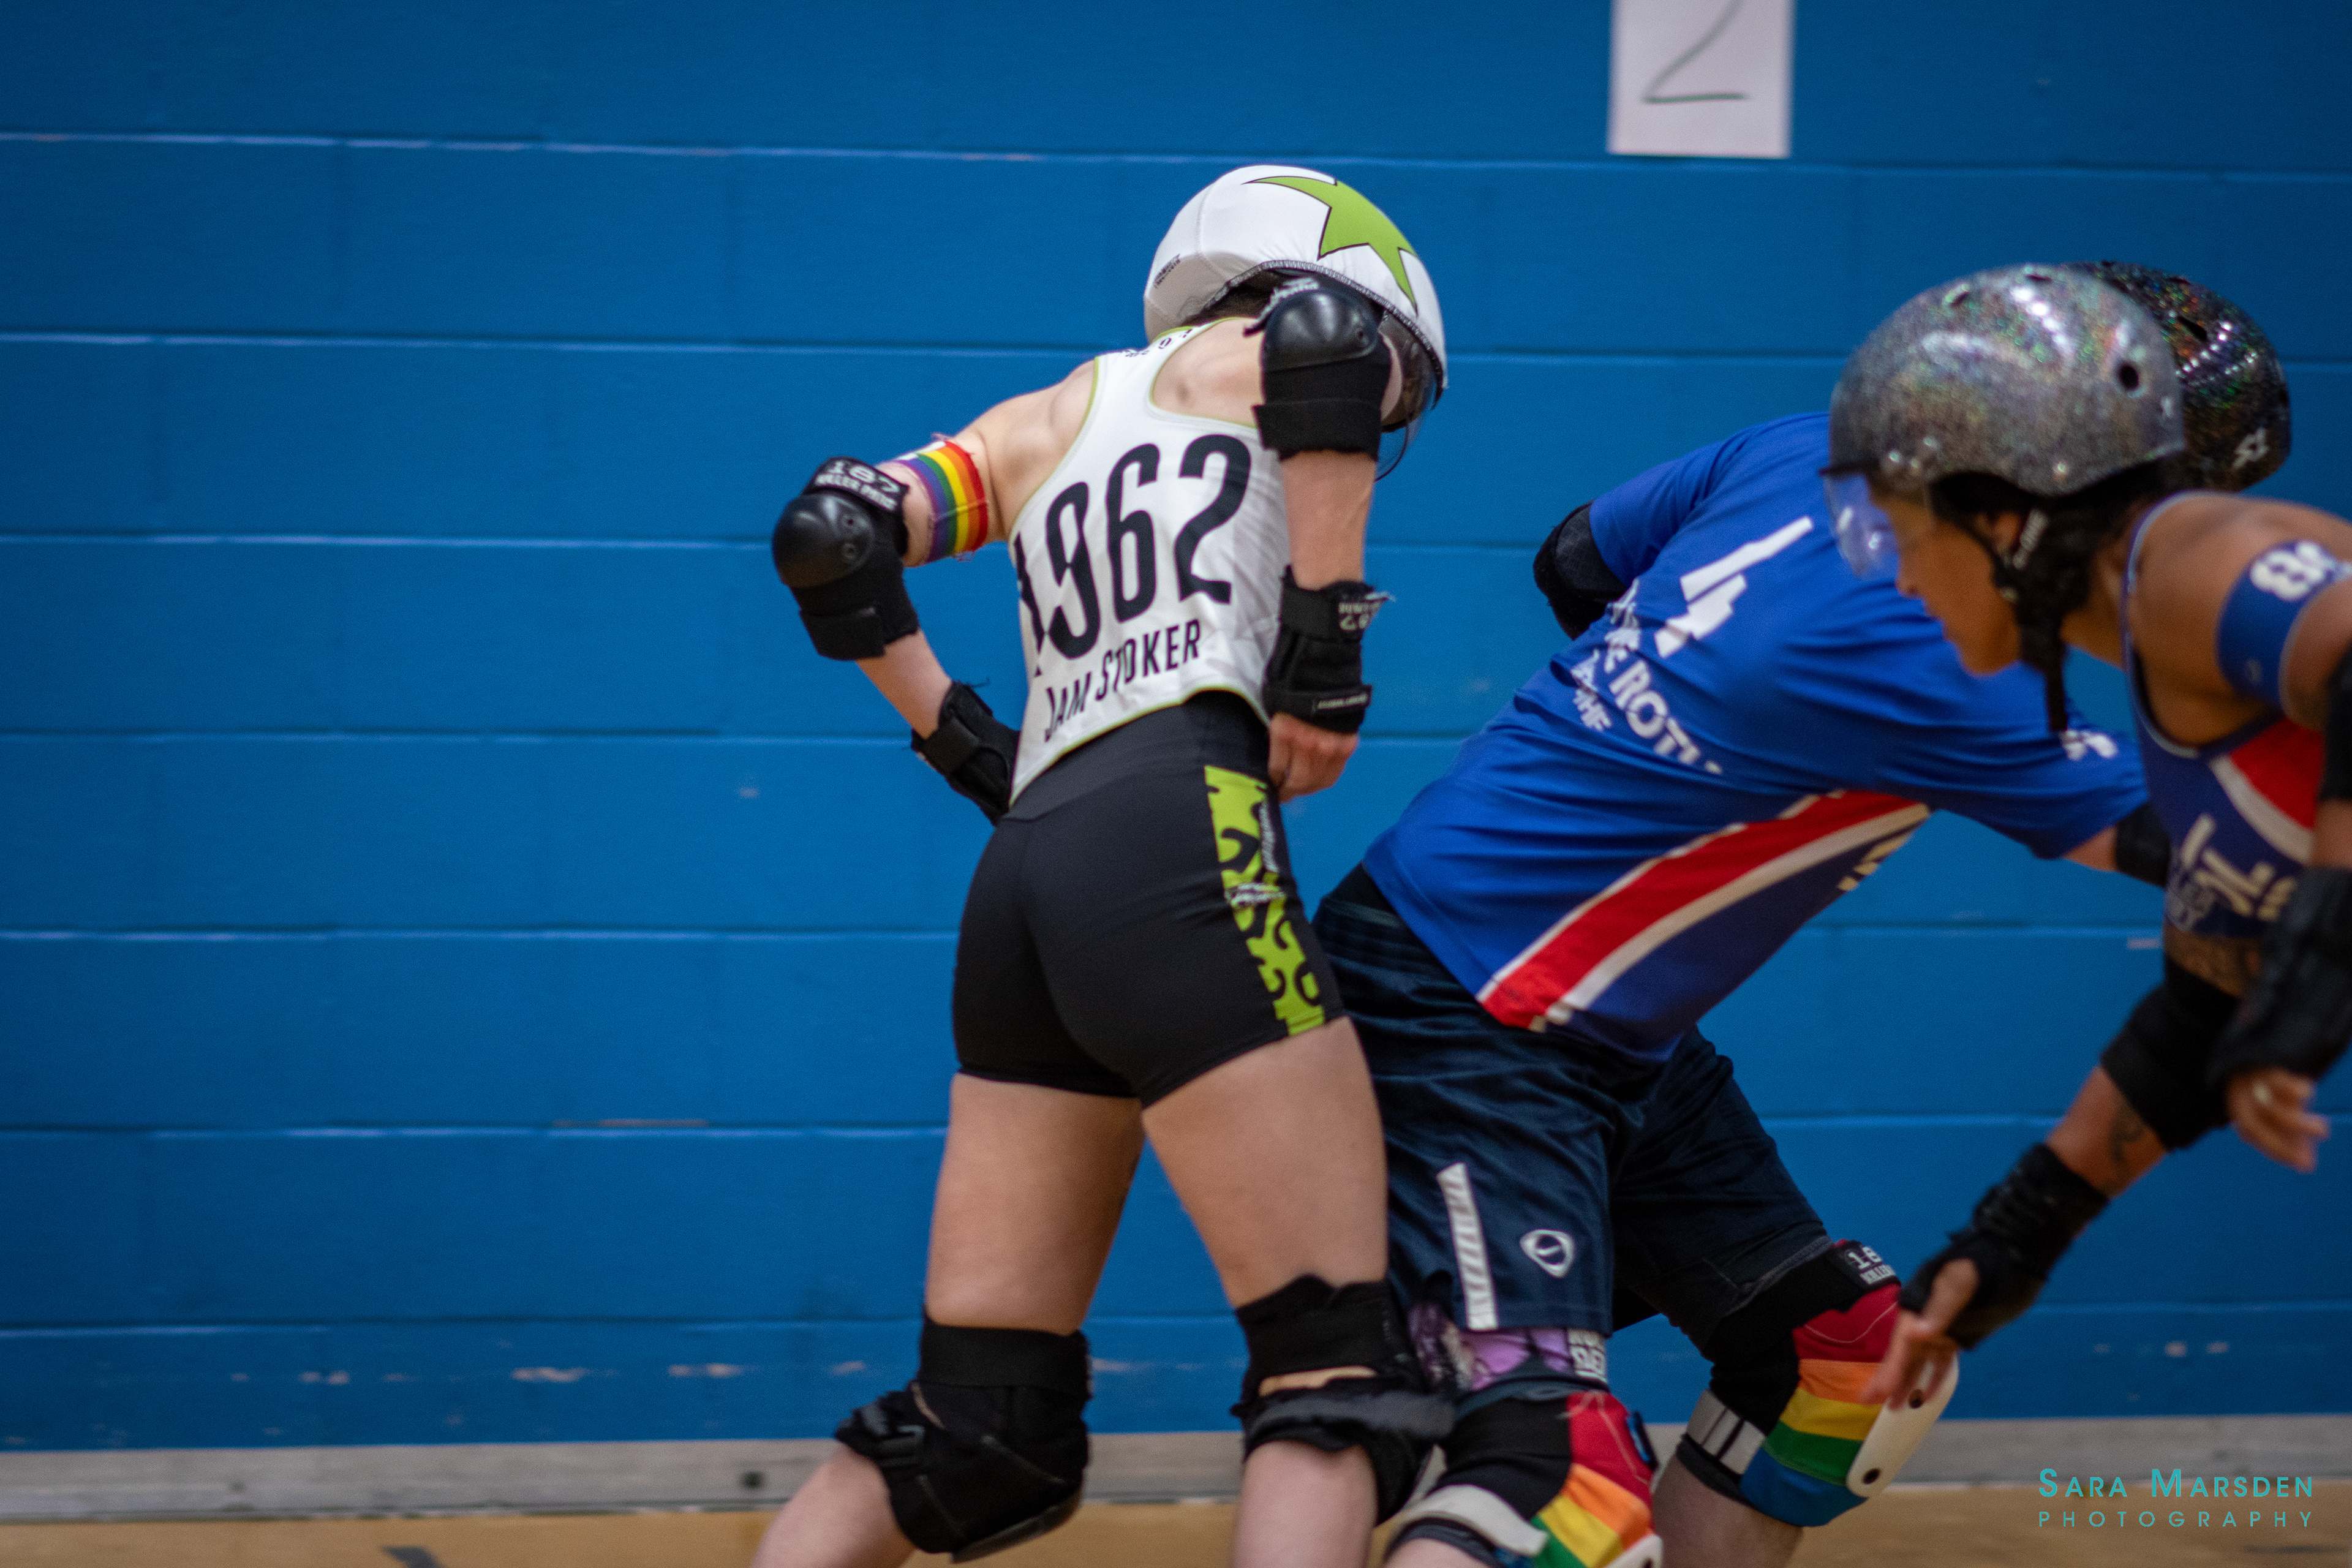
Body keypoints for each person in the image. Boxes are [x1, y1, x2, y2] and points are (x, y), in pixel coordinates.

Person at [1305, 265, 2290, 1568]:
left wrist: (1678, 729)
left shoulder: (1800, 449)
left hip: (1590, 1026)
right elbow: (2235, 859)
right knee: (1562, 1494)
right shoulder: (1941, 667)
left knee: (1841, 1363)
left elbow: (1576, 555)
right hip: (1464, 1014)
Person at [748, 165, 1452, 1568]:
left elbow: (833, 534)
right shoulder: (1285, 345)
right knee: (1336, 1371)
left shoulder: (1049, 416)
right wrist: (1325, 647)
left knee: (979, 1424)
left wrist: (964, 742)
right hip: (1178, 829)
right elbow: (1326, 341)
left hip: (1030, 870)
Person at [1825, 265, 2342, 1413]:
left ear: (2004, 518)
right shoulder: (2176, 684)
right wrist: (2016, 1235)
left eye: (1902, 535)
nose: (1897, 579)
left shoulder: (2180, 554)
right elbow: (2198, 1019)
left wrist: (2324, 946)